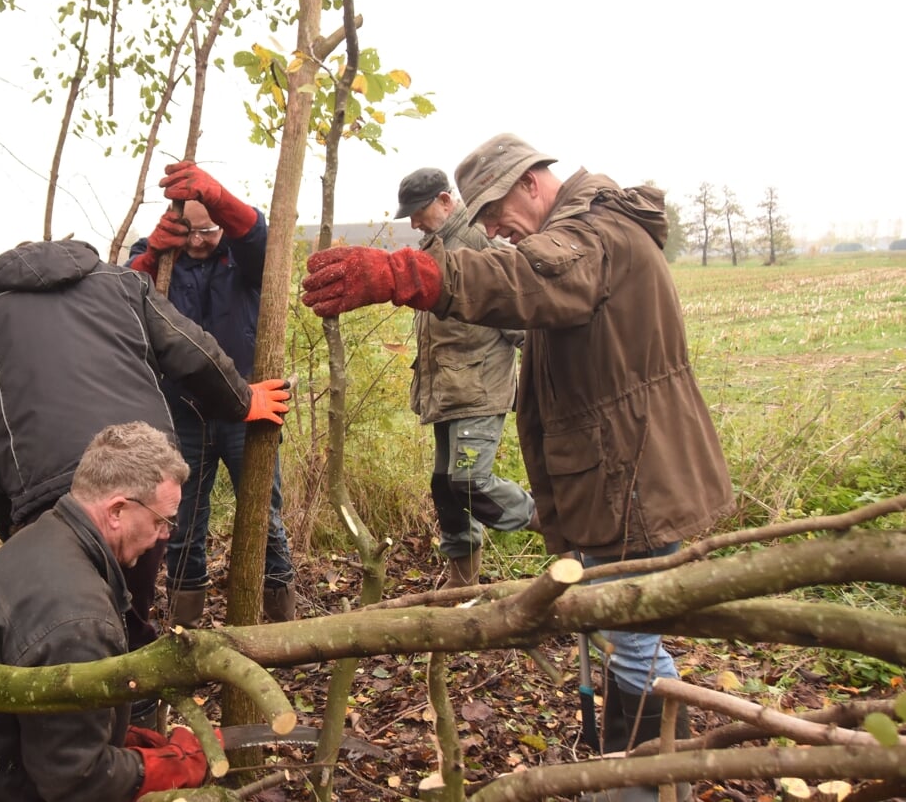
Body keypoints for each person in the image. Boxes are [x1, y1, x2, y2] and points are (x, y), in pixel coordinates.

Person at [301, 134, 733, 799]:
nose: (495, 228)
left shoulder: (589, 236)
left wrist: (404, 276)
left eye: (497, 209)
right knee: (625, 629)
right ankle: (631, 774)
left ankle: (641, 783)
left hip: (632, 475)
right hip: (620, 469)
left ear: (531, 182)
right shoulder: (594, 229)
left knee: (635, 637)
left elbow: (526, 278)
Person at [0, 238, 289, 654]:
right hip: (142, 482)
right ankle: (134, 706)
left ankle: (97, 709)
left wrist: (9, 516)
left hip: (48, 500)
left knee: (58, 623)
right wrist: (243, 400)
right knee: (130, 614)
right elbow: (191, 352)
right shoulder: (122, 283)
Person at [0, 422, 214, 801]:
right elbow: (77, 781)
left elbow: (43, 717)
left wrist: (121, 735)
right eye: (160, 521)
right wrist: (165, 766)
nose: (165, 535)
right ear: (118, 510)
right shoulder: (78, 618)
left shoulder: (43, 536)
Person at [126, 161, 296, 628]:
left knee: (265, 520)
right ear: (174, 225)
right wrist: (152, 256)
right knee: (180, 527)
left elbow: (260, 239)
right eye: (190, 232)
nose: (200, 241)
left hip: (250, 409)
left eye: (210, 231)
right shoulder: (157, 256)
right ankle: (186, 630)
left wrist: (221, 199)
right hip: (182, 415)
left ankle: (281, 625)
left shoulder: (242, 254)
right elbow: (121, 302)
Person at [394, 167, 535, 589]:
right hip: (447, 390)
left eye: (419, 212)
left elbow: (521, 320)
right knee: (446, 488)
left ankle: (553, 524)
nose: (414, 222)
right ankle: (462, 586)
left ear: (444, 200)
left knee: (470, 482)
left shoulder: (479, 245)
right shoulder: (435, 246)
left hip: (479, 388)